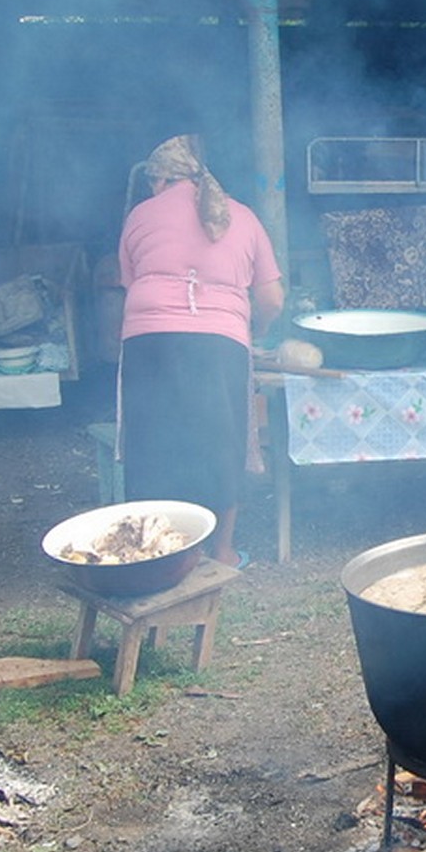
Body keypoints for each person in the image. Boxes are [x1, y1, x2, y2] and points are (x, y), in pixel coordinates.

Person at [118, 135, 284, 569]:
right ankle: (221, 551)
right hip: (219, 342)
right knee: (221, 444)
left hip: (148, 339)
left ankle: (160, 552)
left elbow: (130, 281)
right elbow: (273, 299)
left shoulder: (139, 215)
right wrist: (257, 329)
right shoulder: (243, 217)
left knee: (152, 442)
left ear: (160, 178)